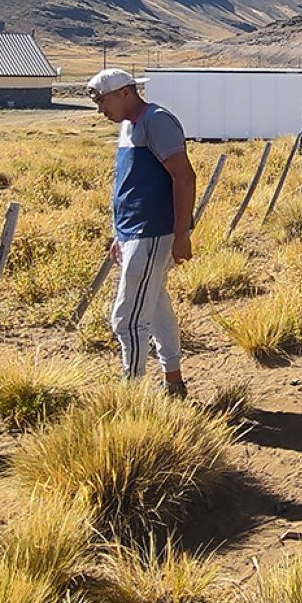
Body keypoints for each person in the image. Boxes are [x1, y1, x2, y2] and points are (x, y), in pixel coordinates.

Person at [90, 69, 197, 396]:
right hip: (133, 233)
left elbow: (184, 177)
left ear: (125, 93)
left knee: (127, 320)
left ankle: (130, 396)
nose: (99, 109)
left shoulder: (157, 121)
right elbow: (128, 184)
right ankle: (173, 381)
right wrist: (117, 235)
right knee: (155, 305)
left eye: (102, 100)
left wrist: (181, 235)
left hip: (151, 231)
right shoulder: (127, 126)